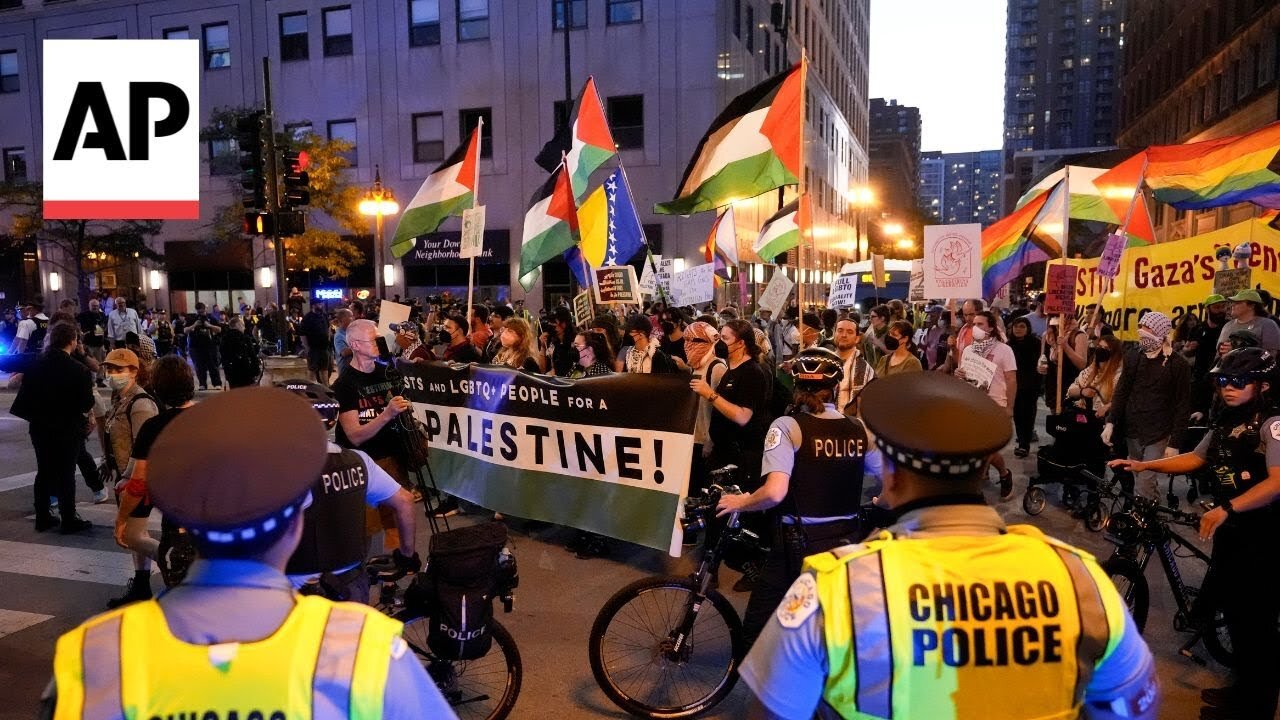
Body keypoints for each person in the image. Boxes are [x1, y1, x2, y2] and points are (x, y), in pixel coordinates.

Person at [739, 372, 1159, 720]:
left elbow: (773, 710)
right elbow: (1132, 706)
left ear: (892, 475)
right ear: (981, 470)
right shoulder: (1080, 578)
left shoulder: (835, 590)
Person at [43, 387, 454, 719]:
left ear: (184, 525)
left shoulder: (91, 657)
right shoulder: (368, 652)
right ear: (295, 525)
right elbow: (402, 501)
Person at [1111, 347, 1279, 720]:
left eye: (1239, 381)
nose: (1228, 388)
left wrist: (1228, 508)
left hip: (1264, 533)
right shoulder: (1226, 420)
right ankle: (1243, 692)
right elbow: (1196, 458)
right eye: (1223, 381)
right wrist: (1144, 464)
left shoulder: (1272, 424)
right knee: (1236, 614)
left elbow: (1277, 483)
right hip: (1231, 528)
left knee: (1257, 623)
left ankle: (1257, 707)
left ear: (1264, 384)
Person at [716, 348, 872, 648]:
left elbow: (775, 492)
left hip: (796, 545)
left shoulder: (787, 427)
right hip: (847, 542)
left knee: (756, 630)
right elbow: (889, 486)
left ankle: (772, 687)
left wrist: (741, 501)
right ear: (836, 387)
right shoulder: (859, 429)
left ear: (796, 386)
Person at [280, 381, 420, 603]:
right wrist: (406, 556)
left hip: (296, 589)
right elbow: (404, 501)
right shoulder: (358, 461)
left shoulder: (278, 470)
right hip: (351, 582)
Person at [333, 319, 435, 541]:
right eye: (373, 339)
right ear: (356, 345)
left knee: (397, 522)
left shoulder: (387, 372)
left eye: (380, 338)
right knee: (369, 529)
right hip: (366, 463)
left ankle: (402, 561)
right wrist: (387, 414)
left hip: (395, 458)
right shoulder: (344, 385)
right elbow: (355, 436)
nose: (379, 343)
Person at [110, 356, 196, 607]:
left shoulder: (155, 426)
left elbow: (138, 482)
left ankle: (171, 561)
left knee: (183, 604)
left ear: (157, 388)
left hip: (179, 522)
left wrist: (121, 519)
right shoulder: (212, 418)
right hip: (218, 519)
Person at [9, 322, 95, 533]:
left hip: (40, 425)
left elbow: (6, 361)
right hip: (68, 427)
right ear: (72, 341)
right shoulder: (79, 370)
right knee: (66, 471)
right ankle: (68, 517)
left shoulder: (36, 361)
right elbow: (86, 403)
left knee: (44, 470)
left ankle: (42, 515)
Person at [1104, 310, 1192, 499]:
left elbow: (1183, 405)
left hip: (1158, 432)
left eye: (1148, 328)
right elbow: (1122, 391)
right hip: (1133, 429)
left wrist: (1175, 442)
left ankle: (1142, 522)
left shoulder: (1178, 365)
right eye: (1141, 327)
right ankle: (1152, 510)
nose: (1142, 332)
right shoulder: (1133, 356)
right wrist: (1111, 422)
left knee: (1144, 480)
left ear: (1161, 333)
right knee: (1140, 476)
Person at [691, 319, 772, 501]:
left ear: (741, 343)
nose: (720, 343)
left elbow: (743, 416)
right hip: (723, 452)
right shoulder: (731, 369)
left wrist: (710, 394)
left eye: (725, 338)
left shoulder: (752, 372)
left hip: (740, 457)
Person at [95, 349, 160, 563]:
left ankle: (176, 560)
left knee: (132, 536)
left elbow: (145, 448)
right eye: (110, 369)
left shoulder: (140, 404)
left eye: (119, 369)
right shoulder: (120, 400)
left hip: (137, 480)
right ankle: (141, 582)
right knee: (135, 534)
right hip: (124, 477)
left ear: (134, 371)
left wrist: (129, 478)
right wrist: (108, 461)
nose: (113, 374)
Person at [955, 310, 1018, 500]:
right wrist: (959, 374)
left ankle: (989, 482)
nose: (976, 327)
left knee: (985, 450)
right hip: (973, 405)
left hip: (995, 404)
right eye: (974, 323)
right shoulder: (968, 350)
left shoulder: (1004, 350)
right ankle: (1000, 474)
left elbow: (1011, 380)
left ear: (991, 327)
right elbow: (964, 375)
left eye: (980, 324)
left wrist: (1009, 407)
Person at [1006, 316, 1043, 458]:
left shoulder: (1036, 343)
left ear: (1028, 329)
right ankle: (1022, 441)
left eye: (1022, 326)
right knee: (1017, 415)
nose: (1018, 329)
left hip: (1030, 386)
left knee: (1028, 414)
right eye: (1016, 326)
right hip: (1014, 385)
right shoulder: (1009, 345)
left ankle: (1024, 444)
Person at [831, 317, 875, 417]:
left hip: (850, 426)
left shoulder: (865, 371)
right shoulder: (824, 363)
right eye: (840, 330)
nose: (844, 335)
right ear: (834, 334)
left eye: (850, 332)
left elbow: (865, 409)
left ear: (857, 339)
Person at [1215, 289, 1280, 354]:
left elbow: (1270, 356)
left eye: (1238, 303)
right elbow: (1218, 355)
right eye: (1233, 302)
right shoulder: (1227, 326)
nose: (1232, 305)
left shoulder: (1267, 325)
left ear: (1251, 306)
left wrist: (1237, 351)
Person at [185, 302, 223, 390]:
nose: (201, 314)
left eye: (202, 312)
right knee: (199, 366)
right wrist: (194, 325)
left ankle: (217, 383)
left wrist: (209, 326)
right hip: (196, 346)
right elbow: (185, 330)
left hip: (210, 345)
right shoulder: (192, 318)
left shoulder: (210, 318)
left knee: (213, 365)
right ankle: (202, 383)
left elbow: (219, 329)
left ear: (205, 309)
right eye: (199, 312)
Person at [219, 315, 262, 388]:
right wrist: (256, 370)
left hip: (231, 371)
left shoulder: (224, 339)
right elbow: (252, 355)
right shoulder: (244, 338)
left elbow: (222, 354)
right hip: (245, 372)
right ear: (237, 325)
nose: (244, 328)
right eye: (243, 325)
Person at [76, 298, 109, 386]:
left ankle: (100, 379)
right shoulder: (83, 315)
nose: (95, 307)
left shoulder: (102, 315)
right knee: (88, 362)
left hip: (99, 343)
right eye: (93, 306)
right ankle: (90, 379)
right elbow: (77, 324)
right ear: (89, 306)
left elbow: (105, 326)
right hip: (88, 342)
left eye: (96, 306)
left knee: (101, 362)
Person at [300, 302, 332, 384]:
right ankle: (312, 389)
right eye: (318, 304)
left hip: (324, 348)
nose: (320, 306)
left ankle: (326, 388)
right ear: (313, 305)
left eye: (321, 304)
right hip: (313, 348)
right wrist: (307, 348)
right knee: (312, 370)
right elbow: (302, 334)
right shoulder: (307, 318)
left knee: (324, 369)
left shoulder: (324, 316)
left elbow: (328, 328)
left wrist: (328, 338)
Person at [332, 307, 355, 373]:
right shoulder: (339, 335)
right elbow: (344, 352)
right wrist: (361, 346)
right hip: (346, 373)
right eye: (351, 316)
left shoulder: (350, 332)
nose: (353, 319)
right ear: (343, 319)